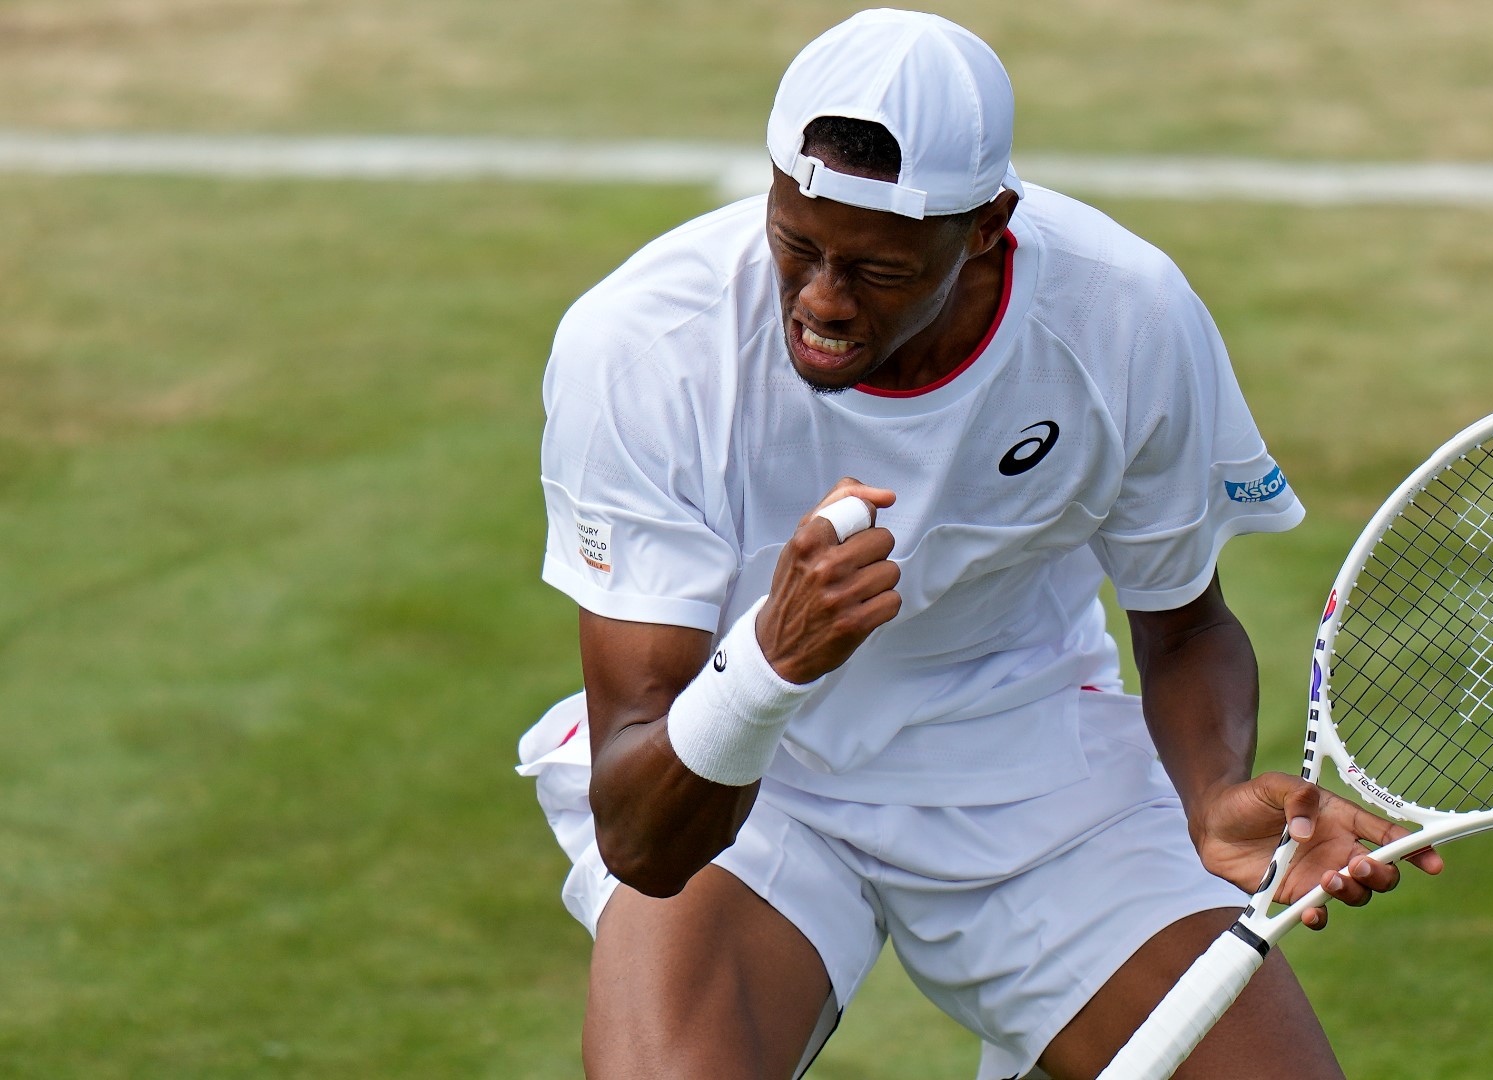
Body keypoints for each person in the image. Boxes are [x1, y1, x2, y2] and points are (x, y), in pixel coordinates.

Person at [517, 9, 1442, 1079]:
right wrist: (772, 659)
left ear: (988, 227)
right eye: (798, 244)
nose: (821, 302)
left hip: (1028, 752)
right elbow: (642, 839)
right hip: (753, 771)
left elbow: (1184, 620)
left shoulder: (1126, 314)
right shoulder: (641, 342)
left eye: (878, 271)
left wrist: (1210, 797)